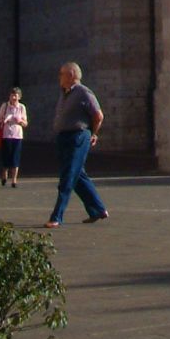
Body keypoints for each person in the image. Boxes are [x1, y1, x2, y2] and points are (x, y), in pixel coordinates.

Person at [45, 61, 109, 227]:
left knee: (68, 175)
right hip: (64, 138)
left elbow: (98, 116)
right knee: (78, 175)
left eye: (62, 73)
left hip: (78, 137)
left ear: (71, 74)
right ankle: (98, 209)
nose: (59, 77)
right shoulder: (64, 93)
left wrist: (93, 134)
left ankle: (56, 216)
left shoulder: (84, 92)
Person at [0, 85, 29, 188]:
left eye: (16, 96)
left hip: (17, 135)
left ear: (19, 97)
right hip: (6, 134)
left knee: (15, 157)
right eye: (12, 95)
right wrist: (5, 119)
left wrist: (20, 121)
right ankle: (4, 174)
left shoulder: (21, 107)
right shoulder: (5, 106)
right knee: (6, 155)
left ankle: (14, 179)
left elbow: (25, 123)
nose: (14, 98)